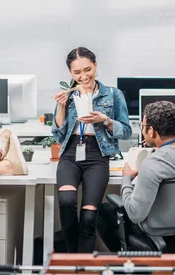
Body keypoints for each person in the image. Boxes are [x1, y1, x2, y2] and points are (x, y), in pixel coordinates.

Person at [97, 100, 175, 252]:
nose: (142, 131)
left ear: (152, 131)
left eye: (143, 127)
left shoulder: (153, 164)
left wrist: (126, 178)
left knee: (102, 211)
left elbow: (135, 214)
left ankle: (134, 262)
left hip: (154, 228)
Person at [52, 47, 132, 253]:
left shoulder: (113, 95)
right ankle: (73, 262)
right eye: (77, 72)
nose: (83, 76)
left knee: (88, 217)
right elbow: (58, 136)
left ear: (95, 65)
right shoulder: (67, 96)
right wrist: (61, 107)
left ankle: (84, 265)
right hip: (71, 153)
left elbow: (126, 132)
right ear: (70, 73)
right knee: (67, 202)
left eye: (87, 69)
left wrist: (105, 120)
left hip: (98, 155)